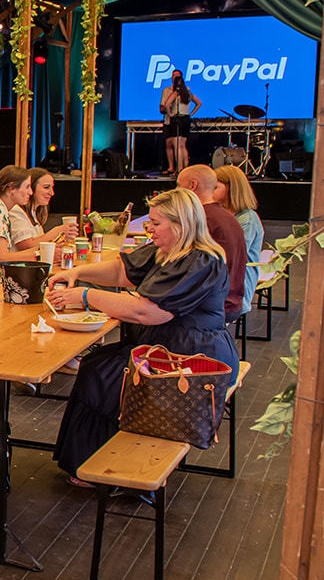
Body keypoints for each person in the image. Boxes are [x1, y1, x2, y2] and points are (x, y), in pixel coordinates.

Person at [46, 187, 239, 480]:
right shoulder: (169, 250)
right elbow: (123, 271)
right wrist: (78, 273)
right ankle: (90, 463)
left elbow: (148, 312)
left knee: (104, 374)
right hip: (167, 345)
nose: (150, 228)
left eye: (156, 223)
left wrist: (86, 296)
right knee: (98, 365)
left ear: (181, 224)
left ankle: (106, 468)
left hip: (191, 357)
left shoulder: (200, 260)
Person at [177, 164, 248, 320]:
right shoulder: (227, 216)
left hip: (214, 306)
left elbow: (184, 267)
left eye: (178, 186)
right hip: (232, 299)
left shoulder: (203, 219)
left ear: (192, 185)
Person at [214, 164, 264, 313]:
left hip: (237, 286)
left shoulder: (247, 218)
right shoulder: (220, 214)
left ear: (231, 188)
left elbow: (231, 256)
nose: (210, 192)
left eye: (215, 187)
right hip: (222, 277)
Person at [8, 167, 80, 250]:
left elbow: (41, 245)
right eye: (46, 187)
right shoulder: (16, 211)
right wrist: (56, 231)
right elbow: (26, 246)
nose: (52, 193)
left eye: (52, 188)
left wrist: (61, 238)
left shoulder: (33, 213)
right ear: (30, 187)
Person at [160, 69, 200, 174]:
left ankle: (179, 168)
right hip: (186, 119)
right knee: (183, 145)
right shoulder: (187, 93)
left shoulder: (176, 93)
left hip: (177, 119)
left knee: (177, 145)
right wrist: (191, 114)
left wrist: (170, 113)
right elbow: (199, 103)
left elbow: (167, 104)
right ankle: (185, 168)